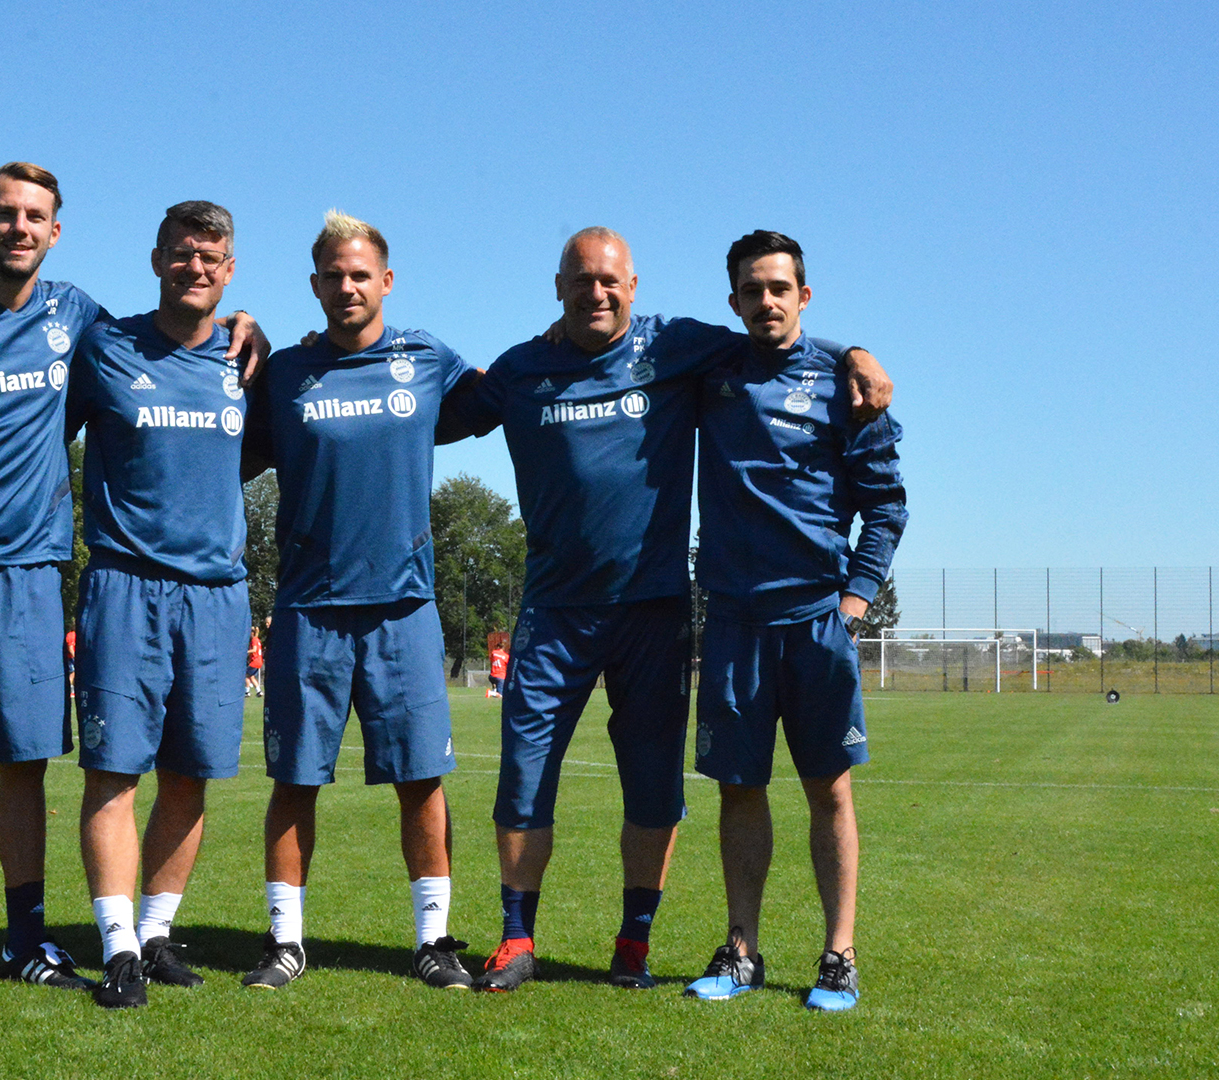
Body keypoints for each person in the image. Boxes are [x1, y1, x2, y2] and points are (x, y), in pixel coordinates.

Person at [0, 166, 262, 1007]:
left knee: (27, 762)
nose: (20, 227)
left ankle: (26, 939)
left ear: (56, 231)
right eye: (7, 214)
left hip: (35, 568)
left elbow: (178, 334)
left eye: (35, 216)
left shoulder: (76, 317)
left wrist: (242, 323)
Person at [444, 228, 892, 993]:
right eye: (582, 280)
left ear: (634, 286)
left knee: (661, 788)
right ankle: (517, 941)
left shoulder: (678, 349)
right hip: (554, 612)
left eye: (610, 280)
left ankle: (636, 946)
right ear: (559, 287)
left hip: (657, 612)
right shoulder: (523, 368)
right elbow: (436, 413)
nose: (597, 292)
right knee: (523, 780)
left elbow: (782, 343)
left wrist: (856, 354)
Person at [238, 210, 476, 991]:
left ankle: (434, 941)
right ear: (315, 285)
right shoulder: (282, 376)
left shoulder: (428, 360)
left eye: (360, 274)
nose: (347, 286)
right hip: (309, 610)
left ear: (386, 281)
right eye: (333, 276)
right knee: (296, 781)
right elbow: (219, 451)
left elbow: (514, 400)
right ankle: (284, 942)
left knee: (420, 782)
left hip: (404, 608)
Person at [682, 230, 906, 1013]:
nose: (767, 301)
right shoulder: (709, 371)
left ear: (803, 297)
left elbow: (886, 504)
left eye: (780, 288)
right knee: (737, 791)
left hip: (815, 619)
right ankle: (741, 951)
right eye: (753, 289)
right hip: (735, 623)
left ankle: (838, 956)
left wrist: (854, 602)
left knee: (829, 793)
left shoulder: (846, 383)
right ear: (734, 300)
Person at [69, 201, 268, 1009]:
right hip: (124, 587)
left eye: (211, 257)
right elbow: (39, 432)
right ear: (157, 260)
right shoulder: (107, 348)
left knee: (191, 775)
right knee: (114, 773)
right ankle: (116, 947)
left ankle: (156, 933)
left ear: (230, 270)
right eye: (183, 254)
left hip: (218, 594)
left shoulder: (249, 357)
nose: (196, 267)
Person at [245, 625, 264, 697]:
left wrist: (245, 652)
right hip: (259, 661)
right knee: (251, 677)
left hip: (255, 661)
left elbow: (254, 650)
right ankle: (259, 691)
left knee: (246, 675)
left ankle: (247, 692)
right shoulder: (257, 639)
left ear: (252, 633)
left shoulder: (254, 640)